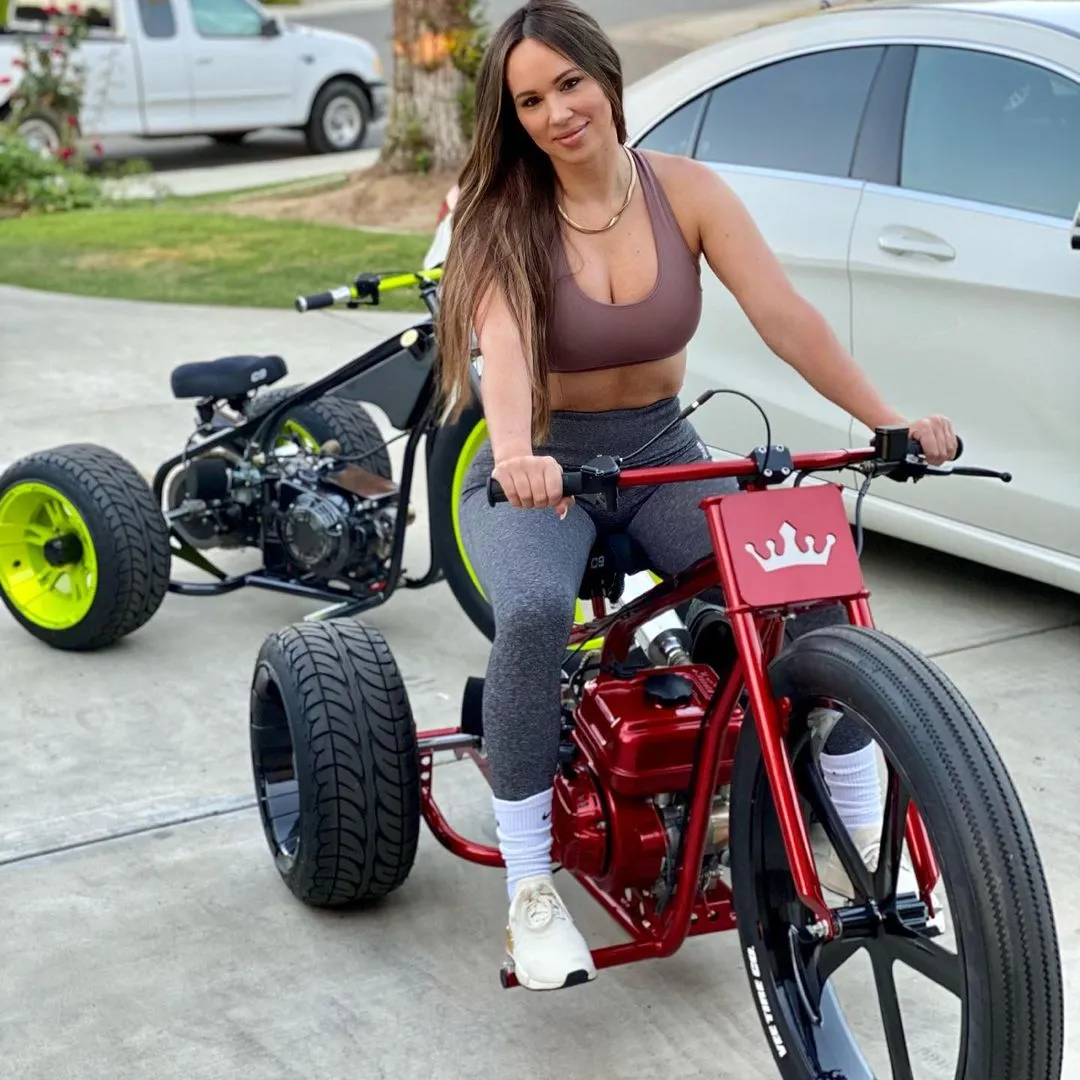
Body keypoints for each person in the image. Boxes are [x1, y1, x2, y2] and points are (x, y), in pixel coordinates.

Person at [435, 0, 958, 992]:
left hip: (660, 449)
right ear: (516, 119)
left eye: (570, 84)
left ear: (607, 78)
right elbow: (503, 350)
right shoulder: (505, 217)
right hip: (542, 469)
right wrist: (514, 454)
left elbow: (784, 317)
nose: (557, 113)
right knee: (537, 612)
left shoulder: (687, 192)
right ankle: (531, 888)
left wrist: (887, 420)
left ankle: (857, 827)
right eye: (531, 101)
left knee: (809, 589)